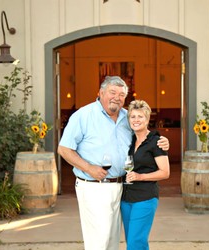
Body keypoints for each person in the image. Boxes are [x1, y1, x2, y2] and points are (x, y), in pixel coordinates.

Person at [57, 76, 169, 250]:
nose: (117, 97)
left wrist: (162, 141)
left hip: (121, 188)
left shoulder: (127, 118)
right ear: (101, 93)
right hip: (93, 186)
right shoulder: (83, 115)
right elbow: (64, 149)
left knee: (112, 240)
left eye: (122, 94)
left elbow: (144, 137)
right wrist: (89, 168)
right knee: (98, 241)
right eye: (112, 92)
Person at [121, 99, 170, 250]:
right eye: (132, 116)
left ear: (147, 119)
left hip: (145, 198)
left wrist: (140, 177)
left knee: (136, 243)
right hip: (126, 197)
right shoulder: (129, 140)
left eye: (140, 116)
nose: (136, 120)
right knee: (134, 242)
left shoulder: (156, 142)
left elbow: (165, 172)